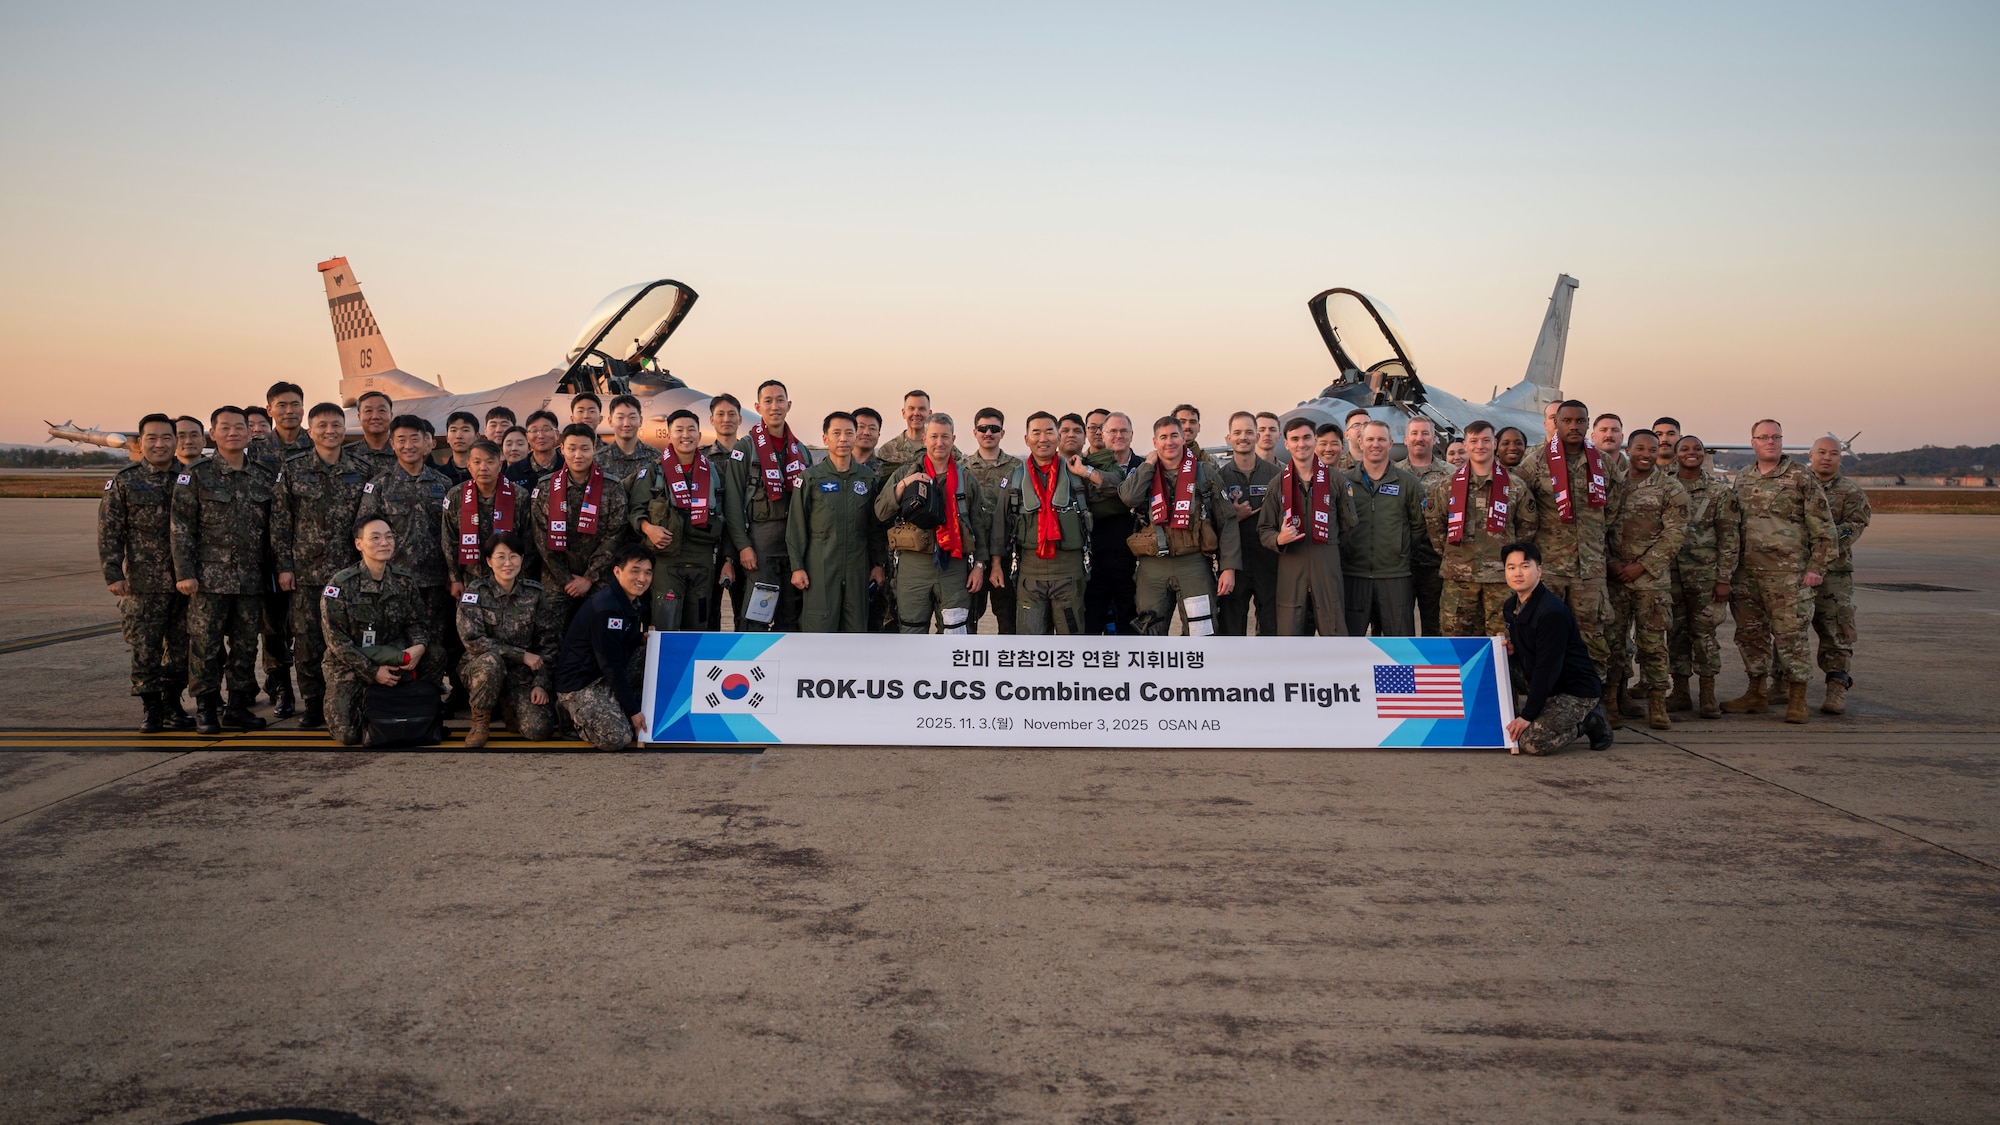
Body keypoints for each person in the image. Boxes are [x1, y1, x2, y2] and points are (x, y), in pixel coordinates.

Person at [1721, 420, 1837, 723]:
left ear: (1782, 441)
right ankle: (1756, 692)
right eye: (1763, 437)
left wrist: (1817, 567)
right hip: (1747, 574)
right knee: (1750, 635)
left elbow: (1824, 528)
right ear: (1753, 442)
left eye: (1775, 437)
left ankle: (1796, 698)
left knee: (1791, 637)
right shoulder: (1743, 477)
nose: (1770, 442)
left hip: (1788, 575)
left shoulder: (1801, 477)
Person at [171, 406, 276, 734]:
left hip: (251, 579)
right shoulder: (196, 474)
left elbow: (273, 528)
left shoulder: (262, 475)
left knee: (246, 646)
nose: (233, 432)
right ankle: (206, 707)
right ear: (212, 435)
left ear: (249, 432)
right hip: (208, 580)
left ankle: (237, 707)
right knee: (205, 645)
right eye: (225, 427)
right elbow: (181, 528)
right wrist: (184, 573)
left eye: (239, 427)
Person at [270, 402, 374, 730]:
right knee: (307, 641)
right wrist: (284, 567)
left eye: (336, 425)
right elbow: (281, 523)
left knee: (353, 639)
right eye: (322, 426)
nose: (330, 431)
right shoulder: (293, 468)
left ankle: (352, 700)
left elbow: (372, 520)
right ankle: (314, 703)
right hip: (306, 574)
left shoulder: (363, 468)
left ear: (345, 429)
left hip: (351, 573)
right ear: (310, 431)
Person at [1517, 400, 1624, 693]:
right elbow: (1521, 506)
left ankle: (1593, 701)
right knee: (1546, 637)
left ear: (1587, 424)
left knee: (1593, 638)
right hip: (1549, 568)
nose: (1574, 426)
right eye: (1567, 421)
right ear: (1557, 423)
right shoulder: (1536, 462)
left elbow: (1613, 509)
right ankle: (1550, 700)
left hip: (1590, 569)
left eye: (1580, 421)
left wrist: (1592, 535)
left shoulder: (1603, 463)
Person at [358, 414, 460, 711]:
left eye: (415, 438)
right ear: (392, 444)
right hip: (394, 583)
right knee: (396, 642)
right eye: (401, 439)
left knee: (434, 645)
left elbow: (452, 534)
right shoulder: (379, 485)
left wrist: (453, 574)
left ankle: (427, 701)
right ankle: (397, 701)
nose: (408, 445)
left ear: (427, 442)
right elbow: (365, 532)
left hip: (434, 582)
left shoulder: (443, 484)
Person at [100, 414, 188, 732]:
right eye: (152, 438)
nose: (159, 444)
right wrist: (113, 573)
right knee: (145, 647)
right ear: (140, 442)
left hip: (185, 581)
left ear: (176, 441)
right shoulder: (125, 481)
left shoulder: (190, 477)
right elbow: (110, 530)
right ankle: (151, 707)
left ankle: (172, 703)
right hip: (143, 582)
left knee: (182, 648)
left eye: (166, 437)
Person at [321, 516, 442, 746]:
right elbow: (337, 642)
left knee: (435, 654)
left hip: (395, 659)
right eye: (375, 538)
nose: (384, 543)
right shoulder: (340, 585)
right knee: (349, 736)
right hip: (353, 665)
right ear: (359, 544)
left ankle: (417, 705)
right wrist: (373, 671)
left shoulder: (404, 580)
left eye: (388, 537)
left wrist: (418, 646)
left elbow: (418, 623)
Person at [1119, 415, 1240, 636]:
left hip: (1193, 564)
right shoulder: (1144, 472)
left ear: (1183, 438)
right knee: (1150, 632)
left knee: (1201, 631)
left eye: (1174, 435)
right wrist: (1149, 465)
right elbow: (1129, 498)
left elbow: (1227, 521)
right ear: (1155, 442)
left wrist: (1228, 568)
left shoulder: (1204, 473)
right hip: (1153, 567)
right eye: (1163, 437)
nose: (1169, 442)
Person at [629, 409, 748, 631]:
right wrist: (648, 528)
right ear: (669, 435)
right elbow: (635, 511)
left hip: (703, 563)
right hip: (666, 561)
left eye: (691, 429)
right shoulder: (654, 472)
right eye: (679, 430)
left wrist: (728, 560)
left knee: (699, 627)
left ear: (699, 435)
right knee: (665, 627)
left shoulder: (714, 473)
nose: (686, 435)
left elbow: (731, 519)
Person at [877, 414, 993, 633]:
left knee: (955, 633)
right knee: (912, 633)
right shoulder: (905, 473)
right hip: (914, 566)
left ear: (953, 439)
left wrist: (979, 566)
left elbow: (980, 526)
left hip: (954, 568)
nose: (939, 442)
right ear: (924, 438)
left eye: (945, 437)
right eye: (934, 436)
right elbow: (881, 511)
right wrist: (904, 485)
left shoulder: (966, 479)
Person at [1605, 431, 1689, 730]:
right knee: (1612, 644)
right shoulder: (1613, 484)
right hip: (1615, 579)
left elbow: (1674, 534)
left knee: (1652, 645)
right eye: (1640, 448)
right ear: (1628, 450)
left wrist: (1642, 566)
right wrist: (1610, 563)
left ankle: (1657, 705)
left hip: (1651, 582)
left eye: (1652, 450)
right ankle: (1611, 703)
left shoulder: (1670, 488)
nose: (1646, 454)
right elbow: (1597, 526)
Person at [1425, 420, 1535, 641]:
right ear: (1465, 445)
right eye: (1474, 441)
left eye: (1486, 440)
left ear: (1494, 444)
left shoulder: (1515, 486)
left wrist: (1510, 558)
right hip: (1459, 578)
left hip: (1500, 579)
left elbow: (1527, 527)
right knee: (1456, 640)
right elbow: (1435, 524)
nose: (1480, 446)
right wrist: (1453, 555)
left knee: (1503, 641)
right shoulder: (1447, 486)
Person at [1502, 542, 1614, 755]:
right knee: (1497, 662)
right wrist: (1513, 650)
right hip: (1546, 682)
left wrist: (1527, 716)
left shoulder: (1551, 612)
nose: (1518, 573)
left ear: (1539, 570)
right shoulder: (1511, 606)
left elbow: (1547, 667)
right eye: (1511, 567)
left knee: (1532, 743)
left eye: (1525, 566)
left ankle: (1590, 720)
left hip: (1574, 690)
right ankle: (1521, 714)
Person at [456, 532, 562, 748]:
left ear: (522, 559)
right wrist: (520, 655)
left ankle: (509, 706)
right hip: (481, 669)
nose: (507, 563)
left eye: (513, 556)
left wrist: (540, 683)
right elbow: (473, 641)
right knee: (491, 662)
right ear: (489, 561)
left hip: (521, 675)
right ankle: (480, 723)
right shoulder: (475, 593)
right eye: (501, 557)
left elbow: (548, 643)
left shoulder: (534, 594)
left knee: (539, 730)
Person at [787, 412, 886, 632]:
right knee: (819, 626)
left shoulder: (867, 479)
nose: (843, 439)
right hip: (820, 567)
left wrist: (878, 565)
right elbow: (796, 527)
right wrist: (797, 567)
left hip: (857, 568)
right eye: (837, 433)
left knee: (856, 628)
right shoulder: (810, 479)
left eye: (849, 433)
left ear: (855, 437)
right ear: (825, 438)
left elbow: (875, 528)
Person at [1665, 434, 1739, 718]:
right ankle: (1680, 692)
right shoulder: (1666, 487)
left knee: (1705, 635)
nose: (1691, 452)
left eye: (1697, 448)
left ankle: (1707, 694)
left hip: (1705, 576)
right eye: (1685, 448)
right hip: (1670, 575)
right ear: (1675, 454)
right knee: (1675, 634)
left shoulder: (1718, 492)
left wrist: (1724, 578)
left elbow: (1729, 537)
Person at [1259, 417, 1357, 635]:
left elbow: (1349, 527)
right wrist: (1279, 539)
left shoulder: (1336, 481)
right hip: (1292, 568)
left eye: (1306, 438)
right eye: (1295, 439)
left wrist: (1329, 548)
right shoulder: (1277, 484)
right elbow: (1264, 529)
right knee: (1291, 632)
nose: (1301, 444)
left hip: (1327, 567)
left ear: (1315, 440)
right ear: (1286, 444)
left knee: (1334, 632)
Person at [552, 546, 652, 750]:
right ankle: (570, 714)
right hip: (581, 684)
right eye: (635, 571)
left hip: (603, 675)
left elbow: (619, 638)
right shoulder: (606, 608)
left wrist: (639, 638)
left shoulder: (631, 600)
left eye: (648, 573)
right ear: (617, 572)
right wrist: (633, 711)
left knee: (652, 654)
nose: (642, 578)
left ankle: (612, 703)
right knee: (618, 737)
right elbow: (611, 664)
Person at [1005, 411, 1097, 634]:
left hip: (1069, 573)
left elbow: (1117, 489)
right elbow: (1002, 523)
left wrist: (1087, 472)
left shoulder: (1076, 473)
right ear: (1026, 439)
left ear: (1058, 437)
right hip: (1030, 572)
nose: (1043, 439)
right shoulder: (1016, 477)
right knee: (1031, 640)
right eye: (1036, 433)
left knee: (1070, 638)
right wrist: (996, 564)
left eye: (1049, 432)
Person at [531, 423, 630, 627]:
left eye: (585, 449)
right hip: (556, 578)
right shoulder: (546, 487)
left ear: (594, 448)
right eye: (572, 448)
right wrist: (566, 579)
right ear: (562, 449)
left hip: (599, 577)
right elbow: (541, 538)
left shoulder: (612, 487)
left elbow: (615, 536)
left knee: (603, 628)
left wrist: (589, 578)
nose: (578, 455)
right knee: (548, 632)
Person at [735, 380, 812, 632]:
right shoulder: (746, 448)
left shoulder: (801, 451)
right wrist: (743, 546)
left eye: (780, 400)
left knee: (791, 617)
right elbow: (733, 502)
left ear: (788, 405)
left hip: (793, 546)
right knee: (757, 615)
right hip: (761, 546)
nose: (774, 406)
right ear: (758, 407)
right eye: (768, 401)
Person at [1340, 420, 1425, 637]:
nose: (1375, 444)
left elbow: (1418, 526)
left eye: (1381, 439)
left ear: (1391, 443)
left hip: (1395, 577)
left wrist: (1399, 550)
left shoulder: (1408, 483)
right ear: (1360, 442)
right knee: (1349, 643)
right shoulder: (1344, 482)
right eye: (1370, 439)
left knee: (1400, 643)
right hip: (1354, 574)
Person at [1808, 435, 1870, 715]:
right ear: (1810, 456)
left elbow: (1852, 528)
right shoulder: (1798, 486)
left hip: (1834, 574)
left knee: (1837, 630)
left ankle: (1836, 686)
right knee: (1788, 630)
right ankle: (1782, 684)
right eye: (1821, 452)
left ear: (1840, 458)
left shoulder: (1851, 492)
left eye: (1833, 453)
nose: (1827, 457)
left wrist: (1818, 546)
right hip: (1796, 571)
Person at [1215, 411, 1280, 636]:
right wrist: (1232, 516)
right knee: (1231, 630)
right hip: (1235, 565)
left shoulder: (1277, 475)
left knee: (1272, 628)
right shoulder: (1219, 478)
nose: (1243, 437)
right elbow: (1211, 524)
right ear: (1229, 438)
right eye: (1237, 432)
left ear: (1257, 437)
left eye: (1249, 432)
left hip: (1270, 564)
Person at [963, 407, 1024, 635]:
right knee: (968, 619)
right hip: (972, 553)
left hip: (1007, 554)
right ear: (975, 432)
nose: (988, 433)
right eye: (983, 428)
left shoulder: (1018, 468)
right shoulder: (962, 468)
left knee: (1008, 619)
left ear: (1002, 433)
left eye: (994, 429)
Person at [1083, 411, 1142, 634]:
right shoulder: (1087, 468)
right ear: (1103, 435)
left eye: (1124, 431)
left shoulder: (1145, 467)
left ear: (1132, 434)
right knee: (1092, 627)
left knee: (1130, 627)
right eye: (1113, 431)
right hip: (1096, 561)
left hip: (1134, 562)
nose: (1119, 435)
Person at [441, 439, 521, 595]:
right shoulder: (456, 495)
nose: (483, 468)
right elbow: (449, 539)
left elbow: (528, 541)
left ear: (500, 465)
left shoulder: (518, 495)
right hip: (470, 578)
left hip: (510, 577)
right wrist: (455, 578)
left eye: (490, 462)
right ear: (468, 465)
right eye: (477, 462)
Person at [1395, 417, 1448, 636]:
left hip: (1436, 563)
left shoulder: (1452, 473)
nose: (1420, 438)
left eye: (1425, 433)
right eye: (1414, 434)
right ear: (1405, 439)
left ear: (1434, 439)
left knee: (1435, 625)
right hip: (1401, 563)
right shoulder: (1392, 473)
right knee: (1398, 624)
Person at [704, 392, 749, 631]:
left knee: (745, 615)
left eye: (732, 414)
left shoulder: (751, 456)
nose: (726, 419)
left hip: (744, 545)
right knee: (708, 616)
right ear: (711, 419)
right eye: (720, 414)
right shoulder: (701, 457)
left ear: (740, 419)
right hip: (709, 545)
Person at [849, 406, 894, 633]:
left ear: (879, 434)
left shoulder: (887, 473)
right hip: (842, 557)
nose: (866, 432)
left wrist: (880, 563)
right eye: (860, 427)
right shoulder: (830, 470)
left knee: (876, 621)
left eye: (872, 429)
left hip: (878, 558)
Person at [595, 394, 659, 485]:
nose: (626, 424)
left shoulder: (654, 458)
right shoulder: (598, 460)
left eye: (632, 417)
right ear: (610, 421)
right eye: (620, 418)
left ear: (640, 421)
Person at [875, 390, 933, 478]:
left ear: (930, 414)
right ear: (903, 413)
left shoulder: (942, 448)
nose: (916, 413)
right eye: (911, 409)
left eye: (921, 409)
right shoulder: (887, 451)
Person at [505, 410, 563, 487]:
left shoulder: (567, 467)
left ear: (557, 435)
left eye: (546, 430)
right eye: (534, 431)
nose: (541, 436)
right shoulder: (514, 470)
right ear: (527, 437)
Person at [354, 390, 397, 471]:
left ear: (391, 415)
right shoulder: (345, 455)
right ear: (359, 417)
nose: (375, 416)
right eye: (368, 411)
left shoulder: (405, 453)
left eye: (382, 410)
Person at [433, 411, 478, 483]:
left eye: (465, 430)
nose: (458, 436)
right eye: (453, 430)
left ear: (477, 437)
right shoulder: (436, 476)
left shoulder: (482, 474)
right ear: (447, 438)